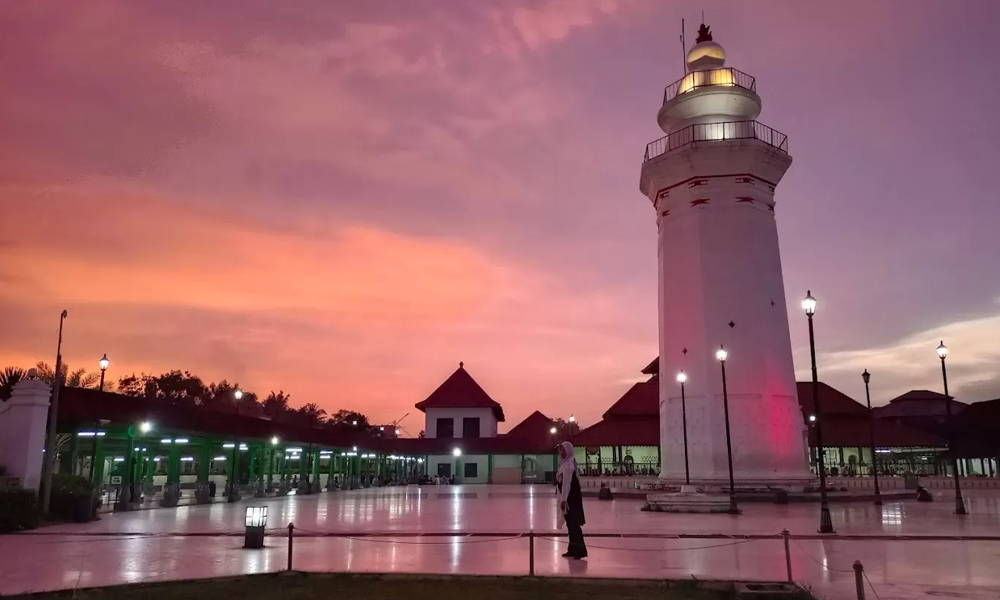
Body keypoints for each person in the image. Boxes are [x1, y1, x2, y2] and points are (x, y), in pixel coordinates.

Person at [556, 441, 587, 559]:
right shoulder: (564, 464)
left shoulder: (569, 465)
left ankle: (580, 550)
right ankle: (573, 549)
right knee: (570, 524)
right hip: (569, 497)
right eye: (561, 450)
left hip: (570, 499)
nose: (562, 453)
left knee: (574, 524)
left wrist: (564, 500)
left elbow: (566, 484)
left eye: (564, 450)